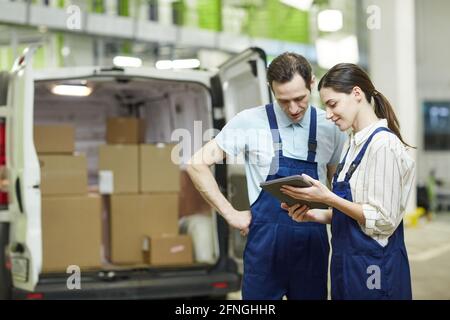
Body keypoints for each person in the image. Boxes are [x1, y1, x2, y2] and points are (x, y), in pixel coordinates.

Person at [186, 52, 347, 300]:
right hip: (264, 250)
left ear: (312, 83)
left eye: (299, 98)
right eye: (283, 100)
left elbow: (337, 189)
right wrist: (230, 214)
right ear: (270, 89)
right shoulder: (249, 122)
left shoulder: (331, 126)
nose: (293, 108)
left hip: (312, 248)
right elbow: (196, 164)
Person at [280, 63, 415, 300]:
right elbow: (355, 213)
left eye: (332, 104)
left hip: (375, 267)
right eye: (325, 107)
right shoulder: (351, 144)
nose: (329, 114)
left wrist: (328, 198)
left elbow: (383, 220)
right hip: (346, 265)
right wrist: (315, 214)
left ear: (356, 93)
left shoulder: (383, 145)